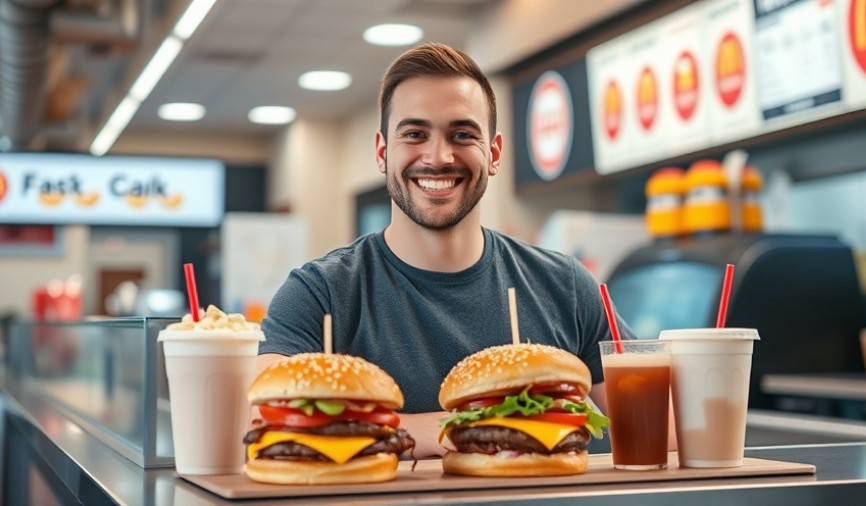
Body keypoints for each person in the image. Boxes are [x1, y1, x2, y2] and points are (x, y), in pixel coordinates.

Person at [257, 43, 638, 459]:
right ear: (383, 152)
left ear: (492, 154)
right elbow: (262, 421)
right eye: (415, 134)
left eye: (462, 134)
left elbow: (658, 429)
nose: (438, 157)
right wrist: (470, 427)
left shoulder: (565, 285)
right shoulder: (319, 293)